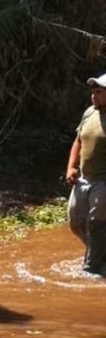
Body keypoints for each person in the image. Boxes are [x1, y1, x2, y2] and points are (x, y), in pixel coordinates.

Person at [65, 74, 106, 276]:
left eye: (99, 92)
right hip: (83, 178)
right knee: (75, 222)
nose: (94, 96)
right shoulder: (90, 113)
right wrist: (71, 167)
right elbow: (78, 141)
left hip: (103, 181)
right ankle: (100, 255)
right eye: (93, 92)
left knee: (96, 224)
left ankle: (92, 267)